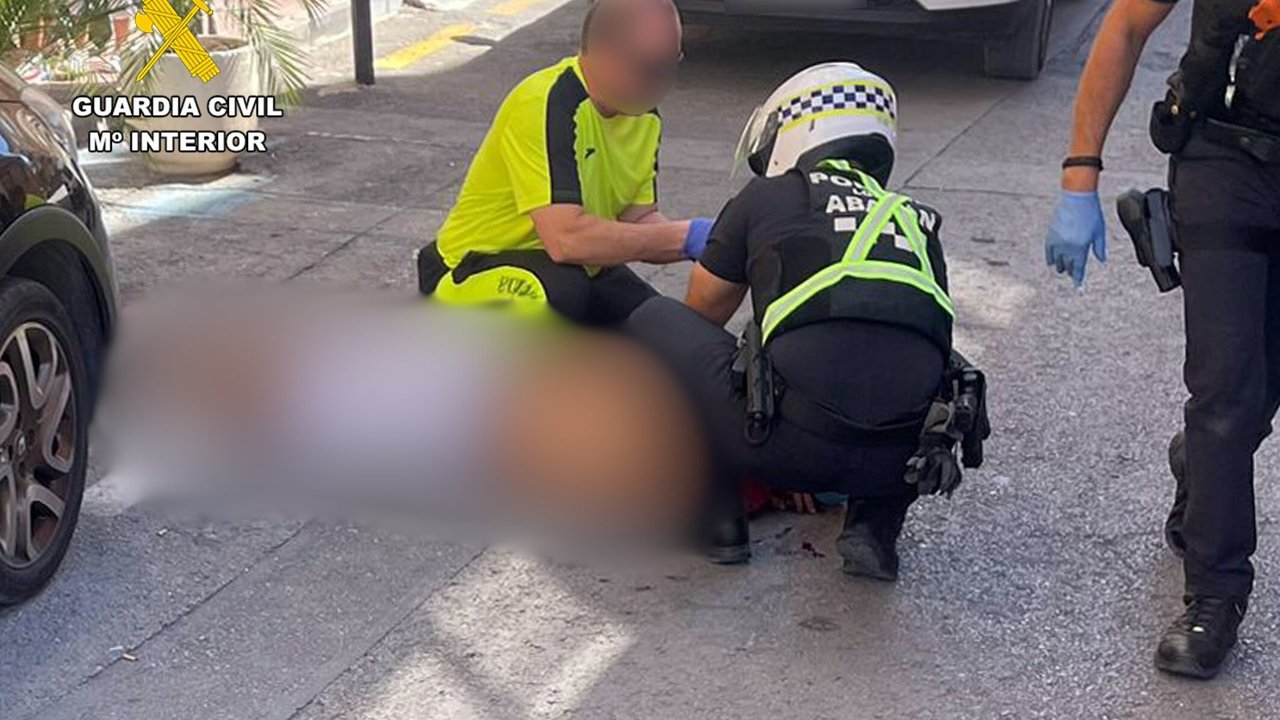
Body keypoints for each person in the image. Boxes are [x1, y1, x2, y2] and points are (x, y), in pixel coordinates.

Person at [628, 63, 986, 580]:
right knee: (905, 363)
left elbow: (703, 315)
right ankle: (874, 526)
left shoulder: (767, 196)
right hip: (903, 461)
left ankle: (717, 516)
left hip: (785, 447)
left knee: (656, 322)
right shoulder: (915, 220)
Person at [1046, 0, 1280, 678]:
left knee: (1256, 394)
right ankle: (1215, 598)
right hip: (1222, 161)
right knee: (1226, 393)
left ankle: (1201, 468)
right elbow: (1124, 26)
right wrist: (1079, 177)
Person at [415, 0, 713, 326]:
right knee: (558, 294)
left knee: (669, 334)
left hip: (575, 269)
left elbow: (638, 218)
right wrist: (686, 237)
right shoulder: (547, 102)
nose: (662, 84)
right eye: (650, 68)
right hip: (473, 270)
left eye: (672, 65)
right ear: (601, 53)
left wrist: (717, 243)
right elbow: (566, 240)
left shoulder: (643, 118)